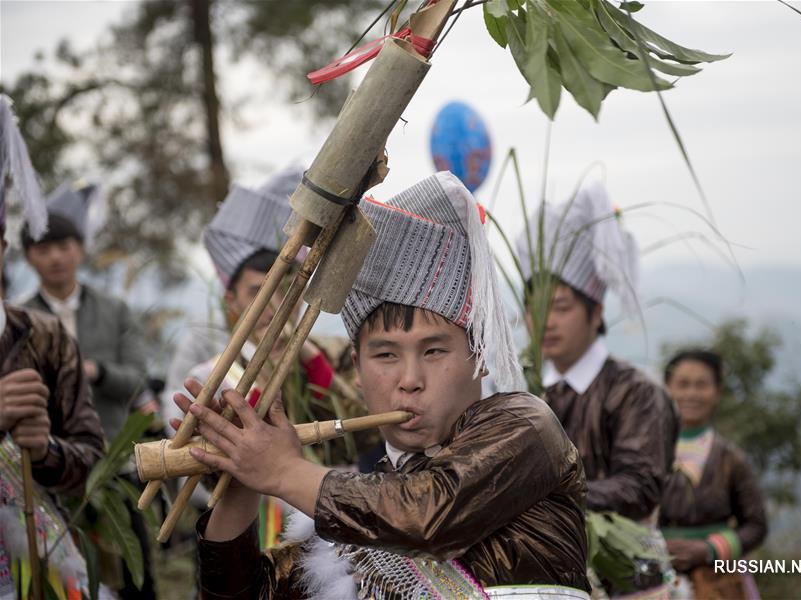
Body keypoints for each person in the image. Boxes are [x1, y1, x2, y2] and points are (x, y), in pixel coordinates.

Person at [176, 171, 590, 599]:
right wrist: (243, 481)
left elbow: (427, 515)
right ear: (357, 367)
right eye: (386, 355)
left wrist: (282, 471)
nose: (409, 380)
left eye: (433, 352)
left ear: (479, 356)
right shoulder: (357, 510)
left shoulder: (524, 426)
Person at [162, 167, 364, 546]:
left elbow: (359, 434)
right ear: (232, 299)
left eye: (283, 288)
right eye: (257, 291)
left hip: (333, 521)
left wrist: (303, 354)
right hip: (251, 530)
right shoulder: (216, 373)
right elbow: (203, 471)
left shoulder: (329, 352)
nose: (271, 304)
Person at [516, 181, 679, 595]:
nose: (546, 322)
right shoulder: (524, 391)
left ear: (596, 311)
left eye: (562, 307)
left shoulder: (637, 392)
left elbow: (639, 487)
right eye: (535, 308)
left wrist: (542, 494)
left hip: (629, 581)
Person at [0, 94, 105, 598]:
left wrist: (44, 450)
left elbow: (88, 453)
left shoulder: (42, 336)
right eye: (45, 247)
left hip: (44, 568)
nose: (57, 258)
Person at [20, 182, 150, 440]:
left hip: (114, 453)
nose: (55, 258)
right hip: (48, 458)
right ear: (28, 258)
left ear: (81, 250)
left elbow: (137, 381)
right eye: (43, 250)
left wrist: (97, 371)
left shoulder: (115, 310)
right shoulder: (19, 318)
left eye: (64, 247)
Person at [660, 349, 767, 600]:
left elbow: (756, 526)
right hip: (652, 576)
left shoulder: (732, 459)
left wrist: (708, 549)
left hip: (718, 582)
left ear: (717, 392)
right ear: (666, 389)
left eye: (701, 385)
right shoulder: (643, 453)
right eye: (683, 384)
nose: (691, 394)